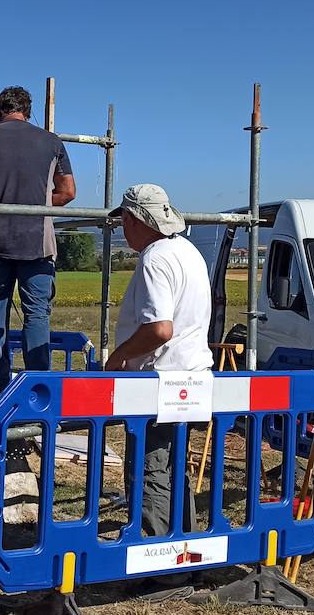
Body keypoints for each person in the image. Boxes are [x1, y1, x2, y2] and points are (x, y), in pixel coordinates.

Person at [104, 183, 212, 538]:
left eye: (124, 221)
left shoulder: (155, 258)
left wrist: (119, 356)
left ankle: (156, 559)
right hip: (192, 375)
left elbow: (160, 329)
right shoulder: (188, 251)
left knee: (150, 468)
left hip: (161, 380)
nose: (122, 228)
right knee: (173, 464)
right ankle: (184, 546)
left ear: (136, 219)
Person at [0, 86, 76, 397]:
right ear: (27, 111)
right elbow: (68, 192)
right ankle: (37, 387)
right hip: (37, 242)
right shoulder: (51, 142)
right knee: (37, 314)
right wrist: (40, 204)